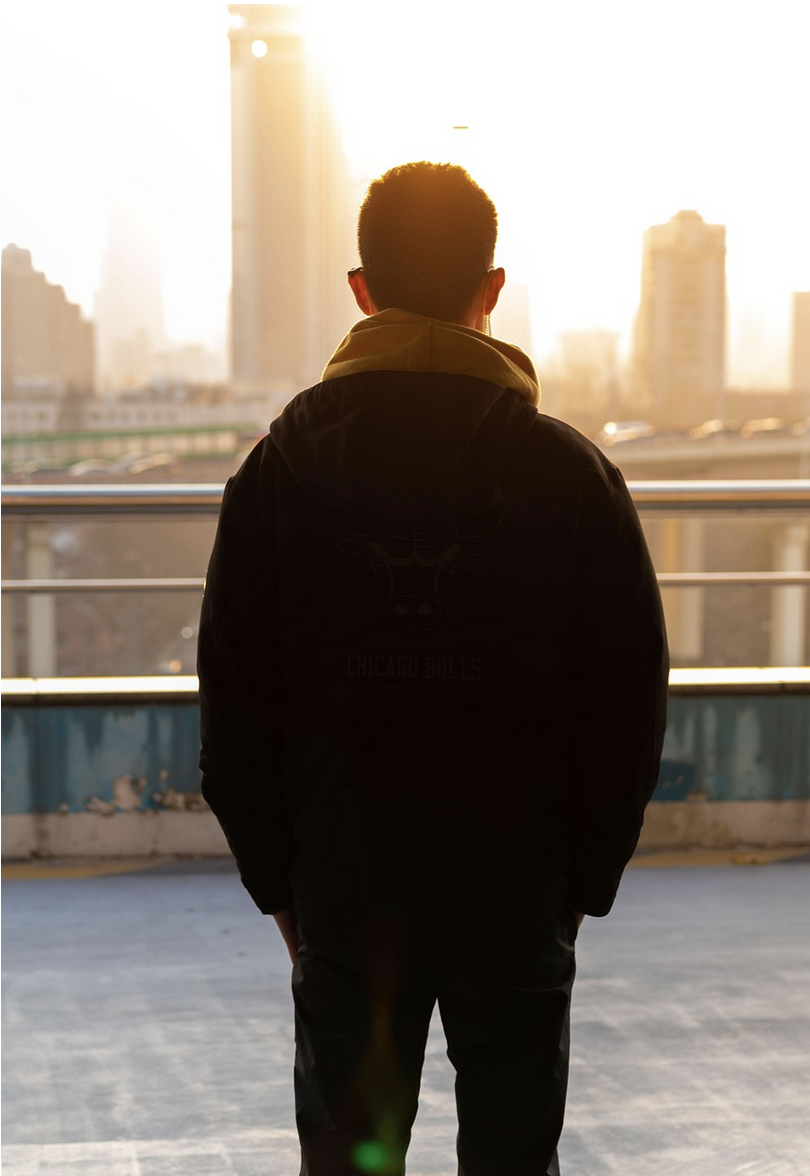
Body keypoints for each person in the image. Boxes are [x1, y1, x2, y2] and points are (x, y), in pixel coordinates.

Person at [198, 161, 668, 1176]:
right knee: (511, 1153)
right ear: (490, 293)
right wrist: (580, 884)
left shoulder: (278, 474)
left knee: (351, 1157)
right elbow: (627, 700)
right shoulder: (571, 476)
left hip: (345, 880)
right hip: (517, 882)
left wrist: (285, 890)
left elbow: (234, 705)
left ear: (361, 290)